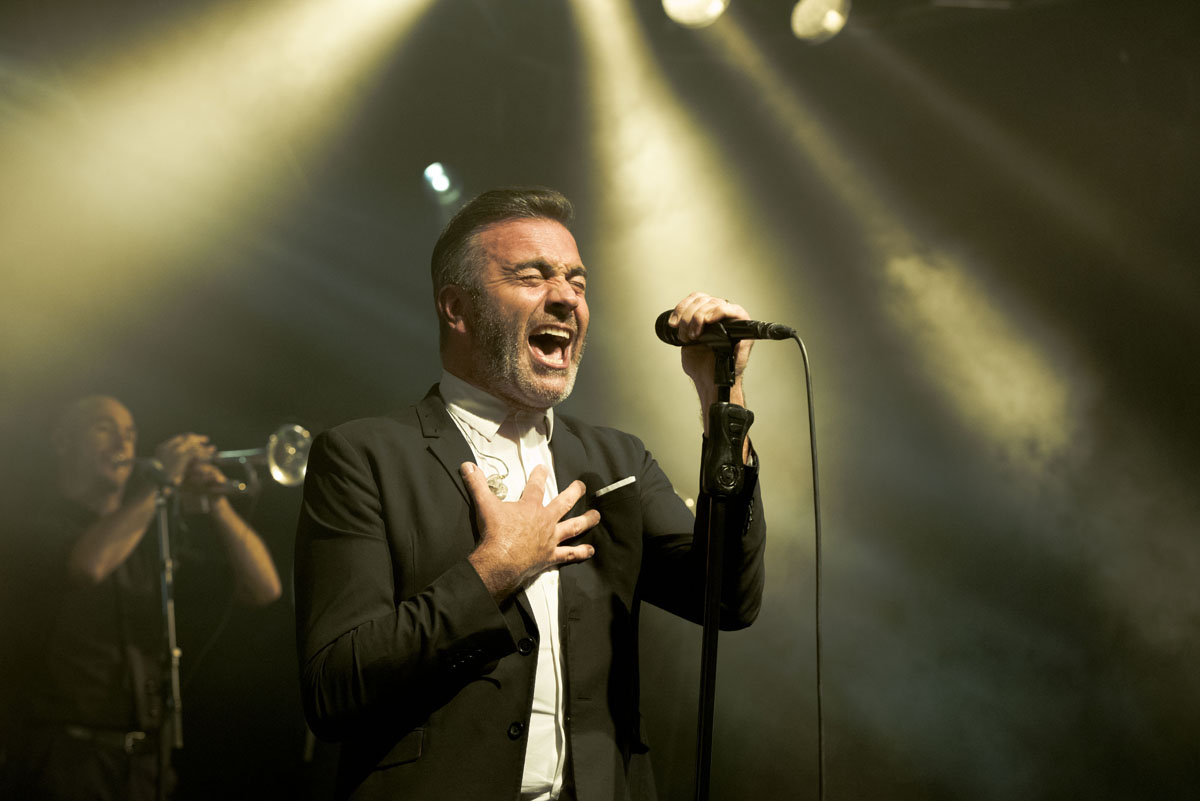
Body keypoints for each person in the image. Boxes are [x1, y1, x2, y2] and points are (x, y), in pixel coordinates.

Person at [294, 187, 766, 800]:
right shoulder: (364, 456)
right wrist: (492, 572)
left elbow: (727, 598)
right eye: (532, 276)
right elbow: (332, 688)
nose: (566, 297)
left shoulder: (615, 460)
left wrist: (720, 393)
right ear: (456, 308)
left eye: (577, 280)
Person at [0, 395, 283, 801]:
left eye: (131, 434)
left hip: (143, 769)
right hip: (59, 763)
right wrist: (161, 482)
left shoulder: (151, 540)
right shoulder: (31, 525)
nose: (123, 444)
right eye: (104, 428)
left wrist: (216, 502)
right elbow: (90, 565)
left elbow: (264, 588)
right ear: (63, 441)